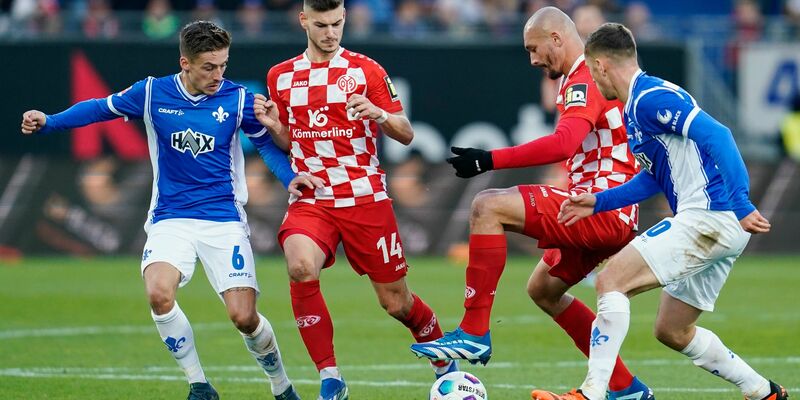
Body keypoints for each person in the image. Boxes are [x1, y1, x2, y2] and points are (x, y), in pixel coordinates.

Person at [20, 21, 309, 400]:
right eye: (209, 67)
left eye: (223, 65)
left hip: (223, 218)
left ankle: (280, 384)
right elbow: (99, 108)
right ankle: (199, 385)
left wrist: (289, 177)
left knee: (244, 317)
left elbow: (267, 146)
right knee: (159, 294)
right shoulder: (152, 92)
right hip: (170, 217)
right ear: (185, 63)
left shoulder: (238, 99)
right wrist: (51, 122)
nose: (218, 75)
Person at [531, 23, 787, 400]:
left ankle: (593, 392)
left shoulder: (648, 98)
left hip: (708, 216)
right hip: (718, 223)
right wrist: (599, 202)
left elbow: (719, 136)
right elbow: (654, 179)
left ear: (600, 66)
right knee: (673, 329)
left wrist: (742, 202)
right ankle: (763, 391)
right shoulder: (638, 105)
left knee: (610, 279)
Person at [409, 7, 653, 400]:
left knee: (487, 206)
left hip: (599, 207)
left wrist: (489, 160)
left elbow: (562, 144)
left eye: (534, 49)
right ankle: (626, 389)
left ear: (556, 38)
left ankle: (473, 331)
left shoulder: (584, 78)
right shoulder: (585, 79)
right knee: (543, 289)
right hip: (602, 209)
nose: (533, 60)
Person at [253, 1, 456, 399]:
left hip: (365, 196)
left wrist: (379, 113)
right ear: (304, 21)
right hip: (314, 197)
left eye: (338, 24)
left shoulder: (367, 70)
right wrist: (278, 129)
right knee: (299, 266)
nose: (331, 32)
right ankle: (331, 378)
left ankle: (443, 357)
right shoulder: (280, 76)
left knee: (396, 302)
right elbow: (293, 141)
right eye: (322, 24)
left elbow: (407, 133)